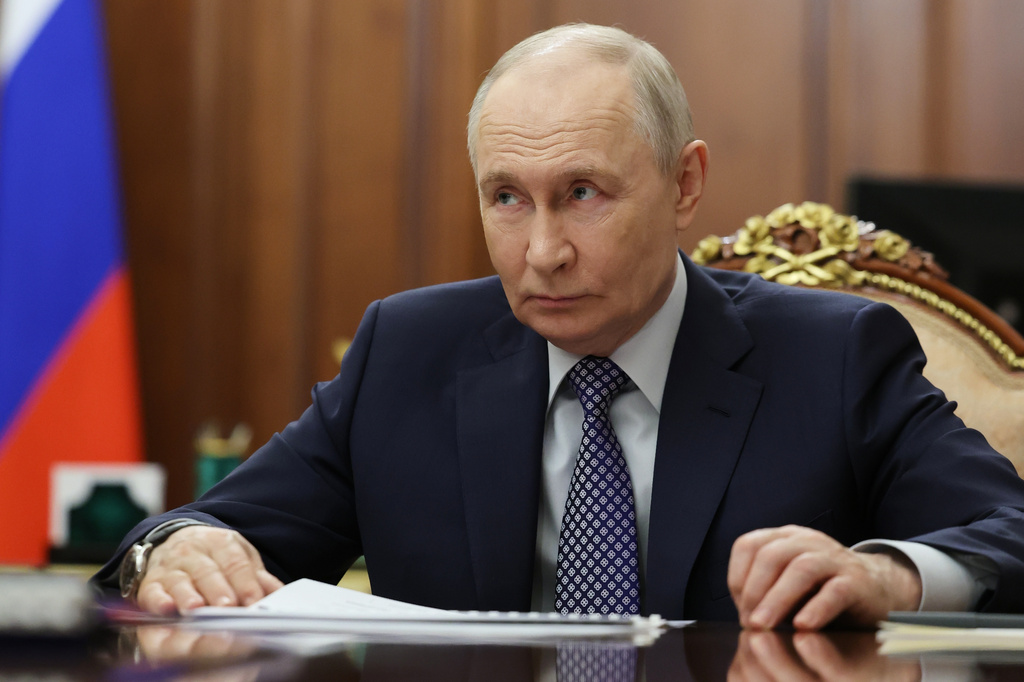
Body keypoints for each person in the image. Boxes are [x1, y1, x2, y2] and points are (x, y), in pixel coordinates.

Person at [94, 23, 1024, 629]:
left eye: (582, 194)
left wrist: (890, 577)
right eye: (507, 198)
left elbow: (1009, 527)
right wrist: (173, 548)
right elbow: (202, 533)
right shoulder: (406, 354)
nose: (542, 251)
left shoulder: (834, 356)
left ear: (684, 183)